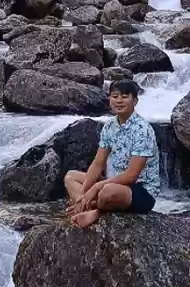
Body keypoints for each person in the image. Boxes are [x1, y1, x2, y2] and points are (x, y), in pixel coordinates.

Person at [64, 77, 160, 228]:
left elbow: (131, 176)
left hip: (141, 191)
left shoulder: (143, 130)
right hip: (112, 181)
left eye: (125, 96)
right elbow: (98, 163)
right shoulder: (109, 126)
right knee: (71, 177)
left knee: (107, 191)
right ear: (109, 100)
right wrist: (83, 195)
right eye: (115, 96)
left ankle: (96, 212)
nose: (119, 100)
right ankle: (85, 206)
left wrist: (95, 188)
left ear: (135, 101)